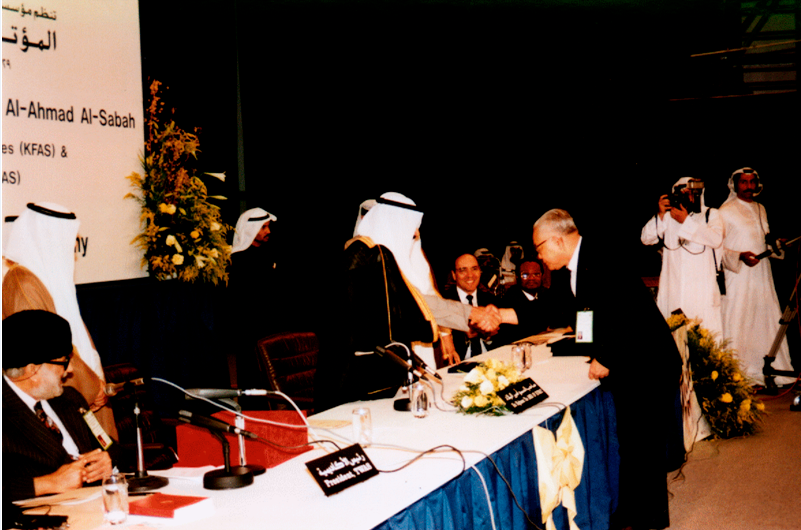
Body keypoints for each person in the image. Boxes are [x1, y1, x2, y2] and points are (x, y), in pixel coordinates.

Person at [534, 209, 683, 530]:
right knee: (633, 443)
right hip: (632, 362)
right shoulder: (576, 267)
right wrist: (586, 348)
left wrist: (605, 357)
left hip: (649, 364)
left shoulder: (601, 257)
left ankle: (648, 520)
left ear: (557, 240)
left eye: (539, 248)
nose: (539, 256)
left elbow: (627, 312)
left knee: (644, 446)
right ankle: (634, 513)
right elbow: (578, 313)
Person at [316, 193, 502, 411]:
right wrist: (471, 313)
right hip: (353, 379)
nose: (415, 234)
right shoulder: (366, 258)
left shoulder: (373, 255)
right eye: (411, 227)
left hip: (377, 373)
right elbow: (408, 302)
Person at [2, 202, 117, 439]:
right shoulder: (22, 283)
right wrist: (92, 387)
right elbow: (44, 350)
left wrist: (98, 381)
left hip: (84, 395)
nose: (72, 247)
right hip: (64, 400)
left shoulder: (48, 278)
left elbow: (78, 339)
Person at [3, 310, 115, 501]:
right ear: (32, 370)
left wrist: (108, 460)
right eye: (64, 361)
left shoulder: (70, 399)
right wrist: (47, 483)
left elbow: (107, 444)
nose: (70, 370)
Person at [718, 167, 795, 386]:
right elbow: (716, 248)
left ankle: (768, 371)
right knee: (739, 318)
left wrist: (776, 245)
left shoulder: (761, 208)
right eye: (744, 182)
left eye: (752, 182)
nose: (749, 186)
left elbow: (762, 241)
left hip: (762, 274)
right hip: (738, 277)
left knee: (764, 318)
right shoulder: (724, 211)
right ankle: (738, 375)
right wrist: (739, 256)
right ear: (735, 184)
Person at [640, 177, 724, 337]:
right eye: (683, 192)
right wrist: (660, 214)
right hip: (674, 290)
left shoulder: (711, 214)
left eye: (691, 192)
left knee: (706, 339)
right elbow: (646, 238)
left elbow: (716, 239)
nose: (687, 196)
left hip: (701, 291)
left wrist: (686, 221)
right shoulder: (668, 217)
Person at [441, 253, 500, 359]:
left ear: (480, 272)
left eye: (474, 269)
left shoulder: (491, 301)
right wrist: (466, 335)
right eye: (463, 270)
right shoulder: (443, 302)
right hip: (459, 363)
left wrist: (488, 336)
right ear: (454, 275)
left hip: (491, 360)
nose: (470, 275)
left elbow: (503, 340)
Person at [497, 258, 552, 344]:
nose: (531, 278)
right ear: (517, 276)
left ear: (542, 276)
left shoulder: (546, 293)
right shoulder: (510, 299)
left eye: (536, 274)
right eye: (525, 275)